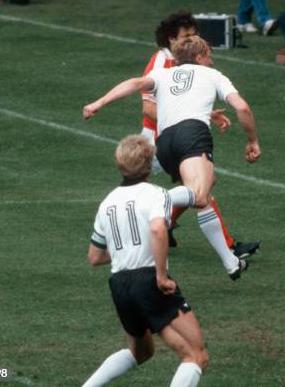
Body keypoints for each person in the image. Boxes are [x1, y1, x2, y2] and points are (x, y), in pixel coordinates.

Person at [83, 36, 261, 280]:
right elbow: (242, 108)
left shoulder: (164, 74)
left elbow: (135, 83)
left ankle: (231, 262)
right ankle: (154, 199)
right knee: (198, 194)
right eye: (209, 54)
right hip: (192, 135)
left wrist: (99, 102)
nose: (212, 59)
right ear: (199, 57)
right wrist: (252, 141)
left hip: (164, 142)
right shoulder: (214, 76)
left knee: (206, 188)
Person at [82, 135, 208, 387]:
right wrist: (161, 276)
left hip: (119, 285)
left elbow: (95, 257)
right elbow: (158, 229)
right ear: (150, 165)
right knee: (196, 355)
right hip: (148, 280)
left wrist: (125, 250)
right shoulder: (156, 194)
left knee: (141, 352)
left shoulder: (106, 203)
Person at [140, 11, 261, 259]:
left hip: (173, 137)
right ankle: (227, 248)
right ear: (171, 39)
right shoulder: (161, 62)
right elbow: (147, 107)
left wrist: (206, 114)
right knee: (201, 186)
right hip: (157, 141)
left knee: (203, 183)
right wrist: (191, 117)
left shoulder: (184, 61)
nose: (191, 40)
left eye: (194, 35)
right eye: (186, 36)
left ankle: (166, 224)